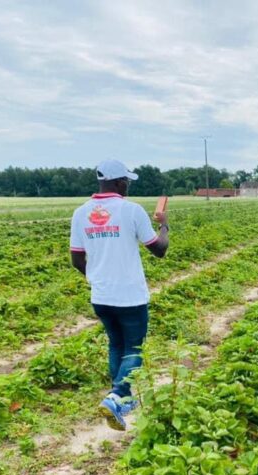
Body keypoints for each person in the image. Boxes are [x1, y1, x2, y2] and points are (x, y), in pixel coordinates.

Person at [70, 159, 169, 431]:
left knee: (116, 344)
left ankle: (119, 398)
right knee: (135, 347)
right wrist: (164, 225)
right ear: (119, 182)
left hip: (101, 296)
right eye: (127, 181)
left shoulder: (80, 214)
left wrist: (97, 277)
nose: (128, 185)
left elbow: (77, 259)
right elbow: (159, 249)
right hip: (130, 296)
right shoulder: (131, 210)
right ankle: (115, 397)